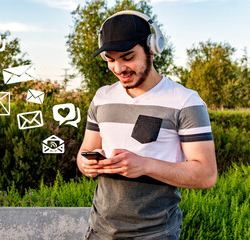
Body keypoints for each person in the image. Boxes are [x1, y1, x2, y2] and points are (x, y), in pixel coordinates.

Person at [77, 10, 217, 239]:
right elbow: (83, 154)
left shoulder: (186, 102)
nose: (119, 68)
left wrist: (144, 165)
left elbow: (206, 175)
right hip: (99, 231)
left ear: (152, 49)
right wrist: (87, 164)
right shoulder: (101, 97)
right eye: (111, 59)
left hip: (156, 234)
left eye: (128, 57)